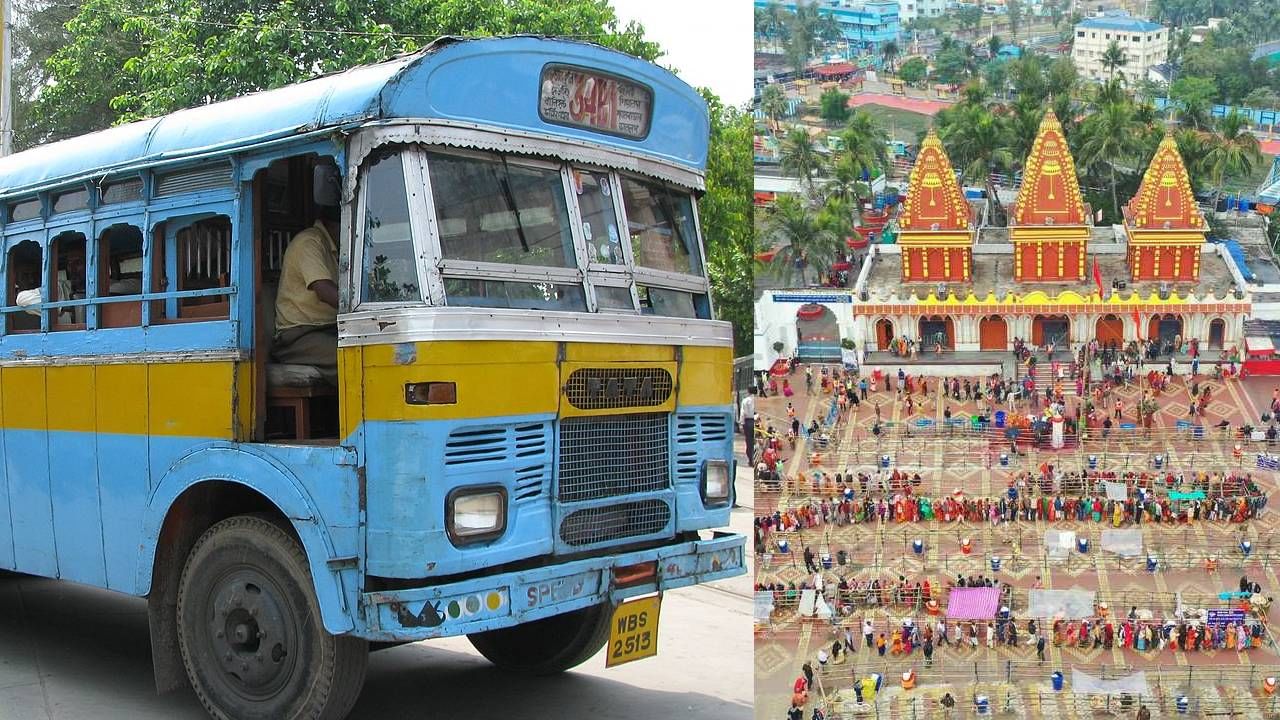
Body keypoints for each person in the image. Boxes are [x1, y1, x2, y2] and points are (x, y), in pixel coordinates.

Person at [273, 210, 341, 385]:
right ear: (333, 224)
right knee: (352, 355)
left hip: (327, 329)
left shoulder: (334, 248)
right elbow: (324, 290)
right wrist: (359, 306)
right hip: (298, 337)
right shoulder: (310, 242)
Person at [742, 389, 757, 465]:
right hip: (755, 420)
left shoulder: (745, 400)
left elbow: (743, 413)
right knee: (756, 440)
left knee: (749, 442)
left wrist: (742, 423)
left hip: (748, 422)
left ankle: (751, 460)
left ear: (748, 391)